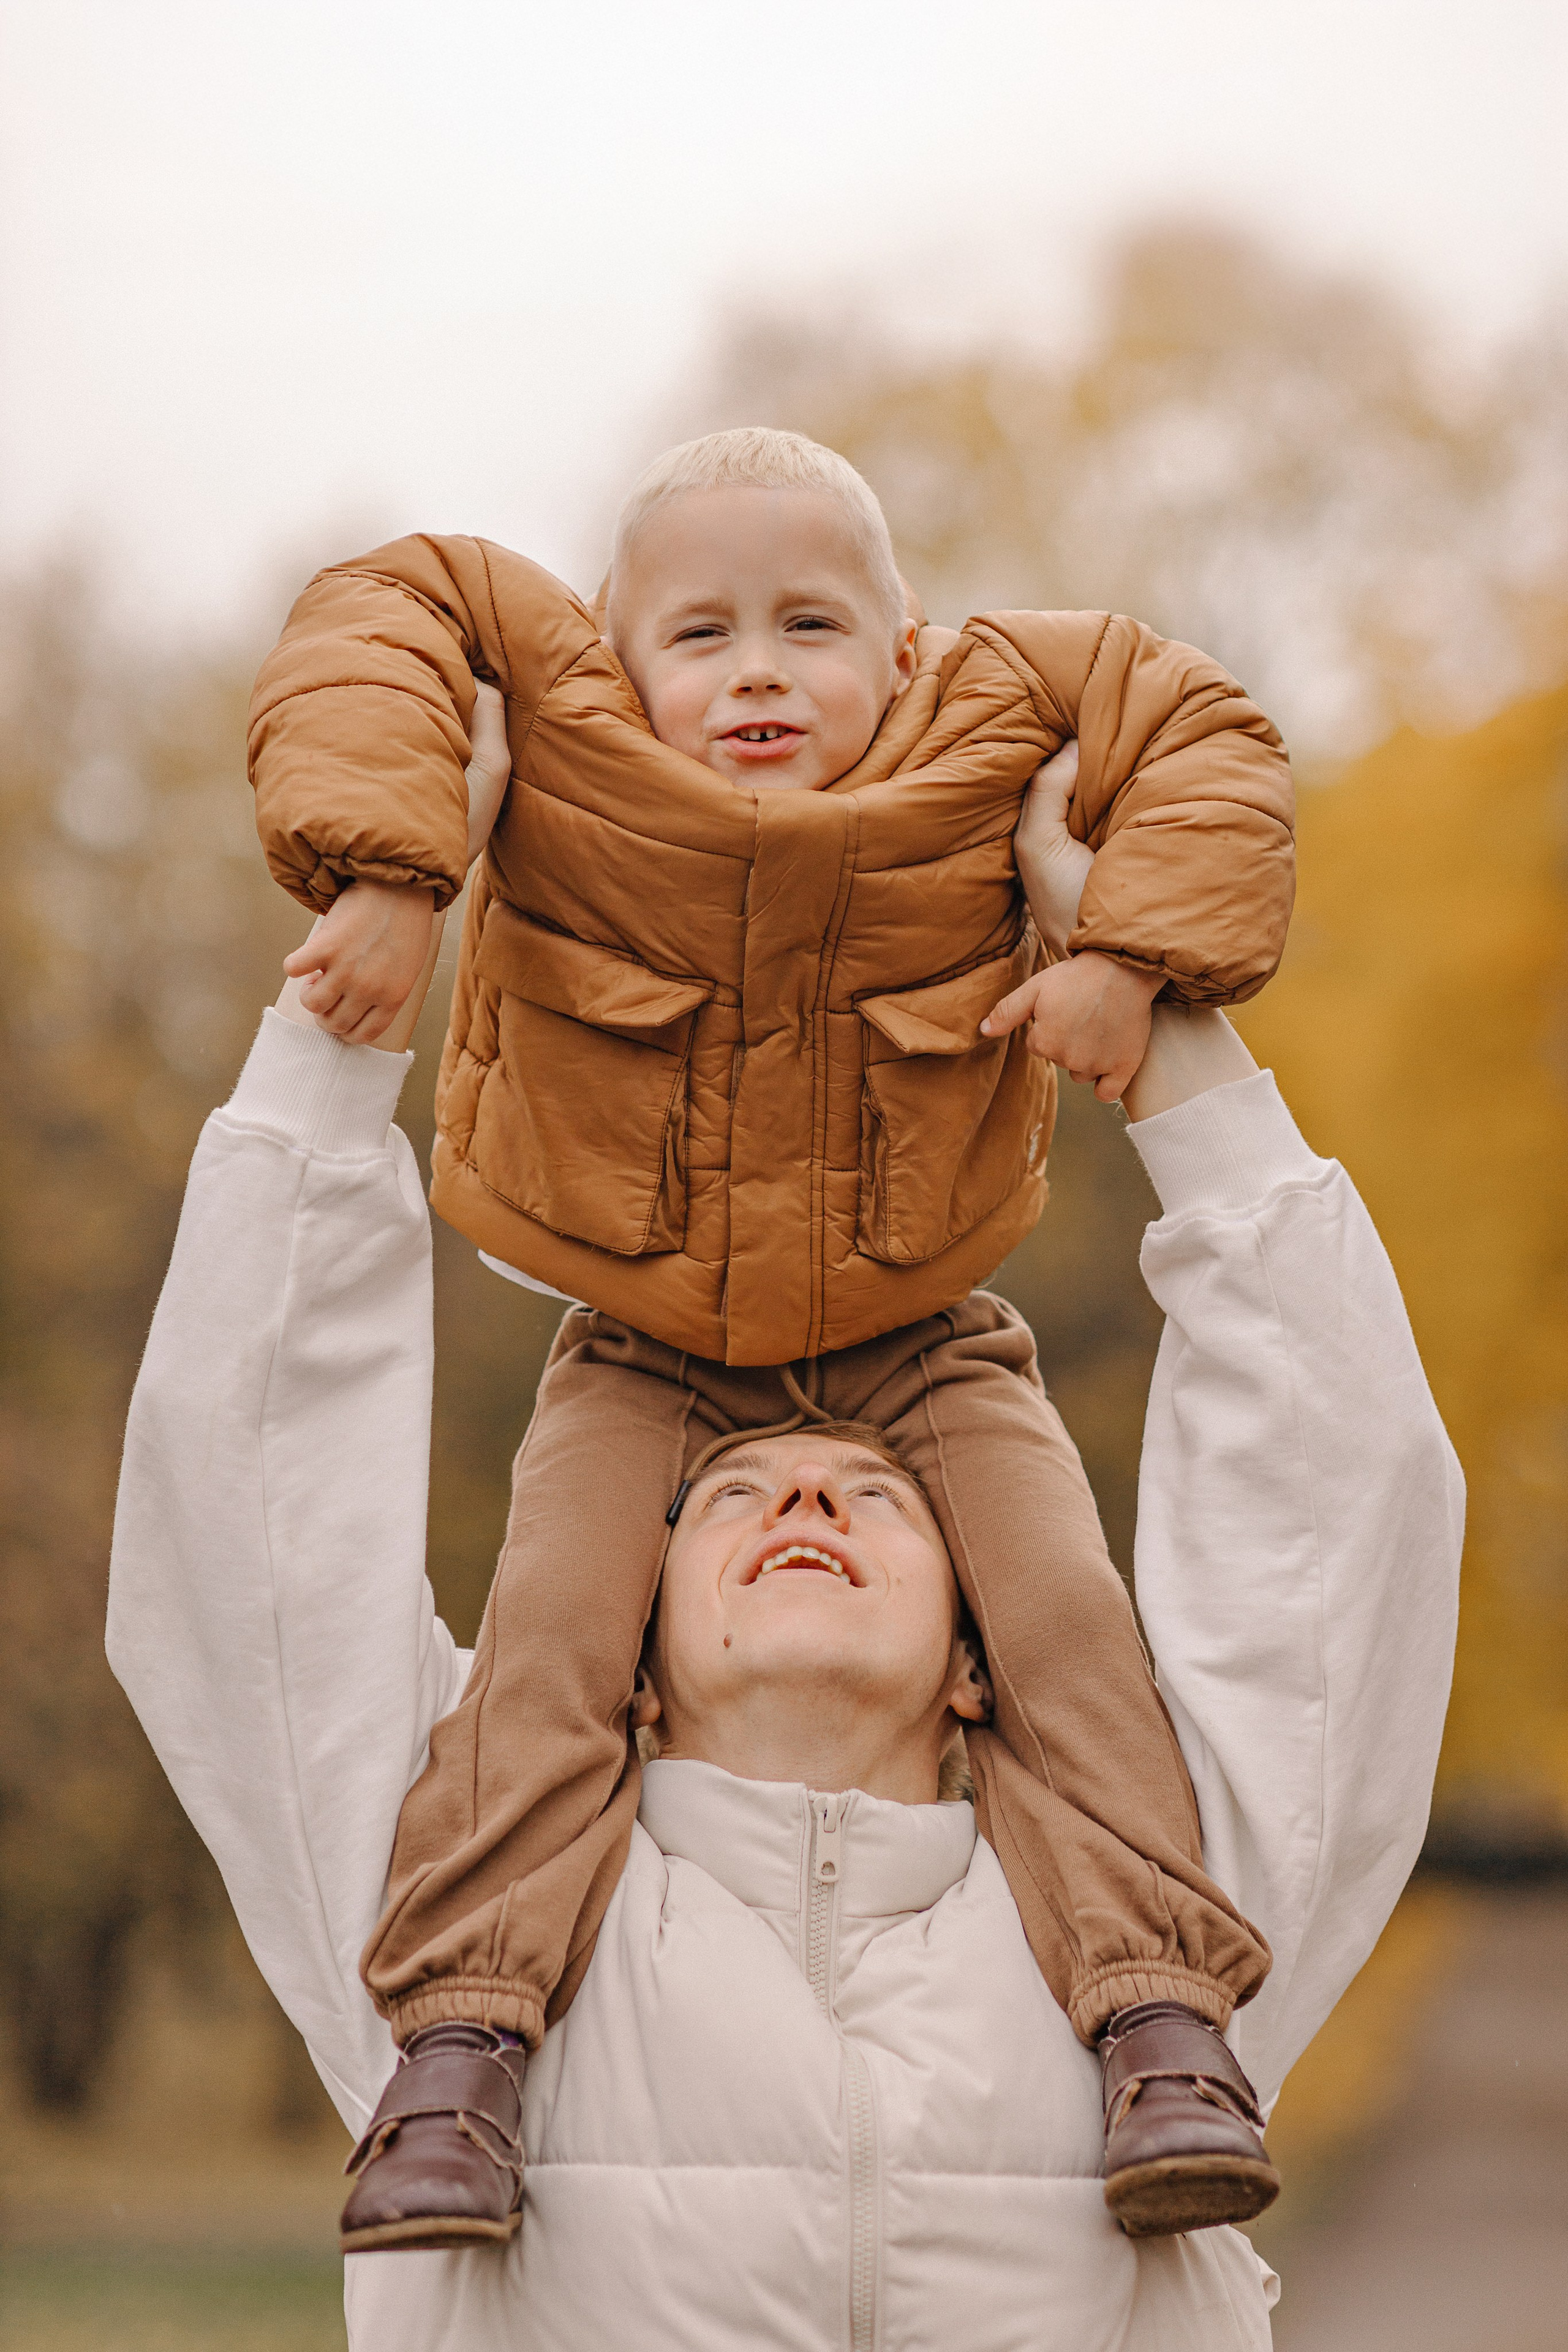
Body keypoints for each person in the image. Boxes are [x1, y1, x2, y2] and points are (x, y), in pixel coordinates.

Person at [106, 914, 1461, 2350]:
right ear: (632, 1658)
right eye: (731, 1494)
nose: (806, 1492)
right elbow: (249, 1529)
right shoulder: (438, 1924)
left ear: (974, 1660)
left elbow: (1339, 1519)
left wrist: (1159, 1019)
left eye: (878, 1494)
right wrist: (346, 1016)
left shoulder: (1175, 1957)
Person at [241, 426, 1302, 2246]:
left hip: (926, 1336)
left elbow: (1204, 729)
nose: (754, 672)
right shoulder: (561, 716)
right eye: (701, 633)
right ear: (609, 650)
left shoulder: (995, 711)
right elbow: (378, 615)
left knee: (1062, 1626)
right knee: (552, 1649)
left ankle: (1158, 2024)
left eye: (809, 626)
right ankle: (463, 2047)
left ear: (907, 650)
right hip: (640, 1344)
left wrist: (1130, 953)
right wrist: (395, 875)